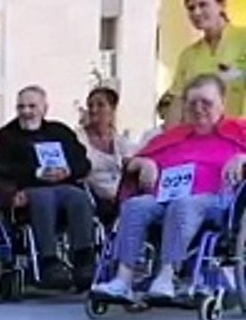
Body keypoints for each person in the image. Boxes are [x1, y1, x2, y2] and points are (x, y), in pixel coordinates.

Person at [92, 74, 246, 302]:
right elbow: (133, 162)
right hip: (165, 197)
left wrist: (243, 158)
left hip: (215, 201)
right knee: (136, 205)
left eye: (206, 103)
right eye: (192, 103)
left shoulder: (239, 132)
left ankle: (167, 275)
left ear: (222, 103)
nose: (199, 109)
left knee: (183, 204)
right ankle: (123, 279)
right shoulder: (174, 136)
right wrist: (144, 163)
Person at [0, 85, 95, 288]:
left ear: (44, 108)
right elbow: (0, 169)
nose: (26, 112)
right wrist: (35, 173)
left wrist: (69, 171)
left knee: (79, 197)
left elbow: (83, 163)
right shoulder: (6, 137)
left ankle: (84, 260)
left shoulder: (60, 132)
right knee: (44, 197)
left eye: (32, 106)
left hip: (64, 186)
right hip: (28, 189)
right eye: (21, 107)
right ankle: (49, 261)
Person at [165, 0, 246, 118]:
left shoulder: (242, 40)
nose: (196, 12)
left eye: (203, 4)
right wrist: (171, 130)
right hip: (202, 129)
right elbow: (178, 102)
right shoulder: (188, 55)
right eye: (191, 8)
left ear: (222, 5)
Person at [78, 86, 137, 222]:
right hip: (92, 196)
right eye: (90, 105)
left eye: (100, 105)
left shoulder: (121, 141)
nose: (94, 110)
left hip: (122, 196)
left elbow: (131, 163)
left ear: (112, 109)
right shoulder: (78, 138)